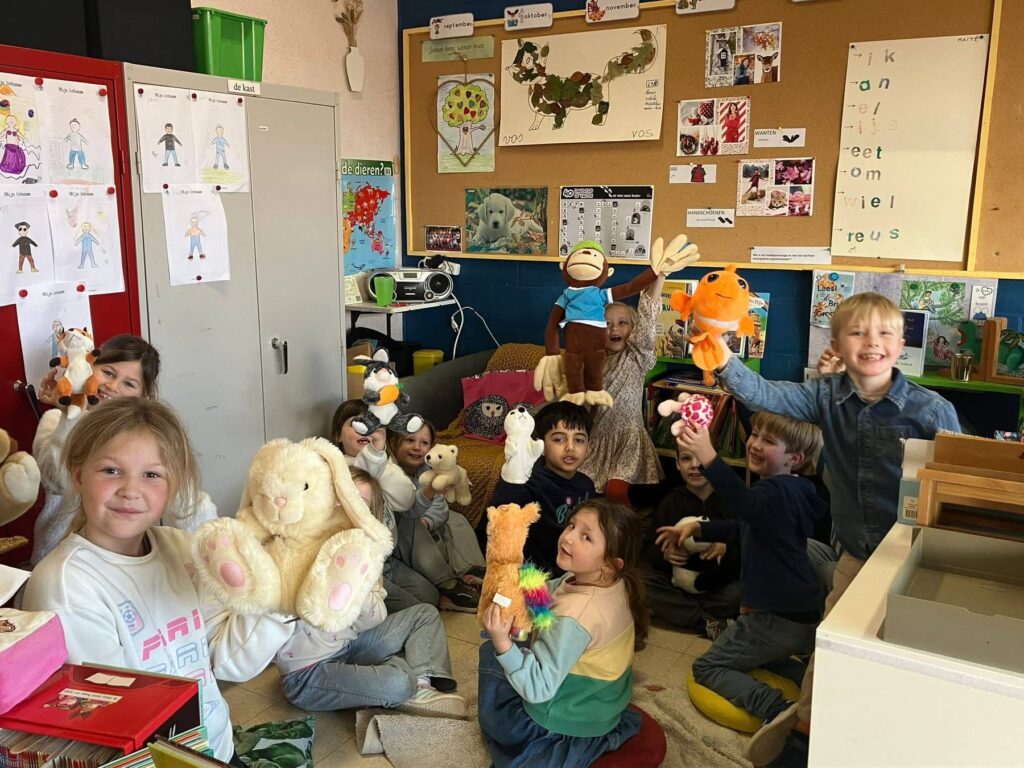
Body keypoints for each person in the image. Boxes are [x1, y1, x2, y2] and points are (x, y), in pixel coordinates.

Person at [710, 292, 960, 767]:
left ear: (900, 344)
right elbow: (765, 395)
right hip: (857, 554)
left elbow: (955, 480)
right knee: (832, 644)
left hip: (914, 553)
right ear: (839, 345)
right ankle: (805, 735)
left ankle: (891, 734)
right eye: (857, 333)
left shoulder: (931, 410)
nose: (872, 342)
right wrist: (720, 356)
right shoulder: (824, 396)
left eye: (884, 333)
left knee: (904, 650)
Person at [22, 398, 292, 764]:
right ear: (78, 474)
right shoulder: (66, 584)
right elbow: (110, 724)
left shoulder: (182, 548)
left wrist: (280, 593)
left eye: (151, 475)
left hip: (216, 745)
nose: (130, 490)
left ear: (173, 486)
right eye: (111, 470)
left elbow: (231, 661)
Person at [658, 413, 826, 734]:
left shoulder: (773, 493)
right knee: (763, 657)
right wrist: (701, 529)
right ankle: (809, 682)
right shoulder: (796, 489)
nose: (755, 444)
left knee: (707, 667)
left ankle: (777, 710)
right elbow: (747, 524)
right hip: (801, 615)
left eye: (769, 441)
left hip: (774, 618)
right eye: (755, 434)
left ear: (795, 458)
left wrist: (709, 457)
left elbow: (744, 504)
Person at [278, 468, 466, 718]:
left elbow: (374, 616)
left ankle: (422, 684)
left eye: (360, 502)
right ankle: (405, 678)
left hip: (349, 646)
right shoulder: (300, 546)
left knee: (425, 614)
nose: (347, 505)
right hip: (307, 673)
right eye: (342, 495)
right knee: (399, 681)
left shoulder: (367, 553)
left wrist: (359, 582)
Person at [478, 499, 646, 768]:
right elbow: (548, 596)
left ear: (610, 564)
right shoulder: (610, 582)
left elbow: (538, 689)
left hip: (556, 727)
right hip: (598, 709)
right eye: (571, 525)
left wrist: (502, 643)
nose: (568, 537)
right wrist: (520, 579)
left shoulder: (574, 617)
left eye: (586, 537)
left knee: (491, 649)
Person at [32, 334, 216, 565]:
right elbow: (56, 482)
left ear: (143, 396)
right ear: (89, 366)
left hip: (124, 558)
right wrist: (71, 415)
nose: (112, 386)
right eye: (108, 373)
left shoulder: (149, 439)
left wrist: (216, 551)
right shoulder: (54, 420)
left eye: (129, 384)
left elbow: (189, 501)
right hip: (58, 554)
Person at [331, 400, 478, 613]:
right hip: (365, 561)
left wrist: (380, 460)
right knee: (421, 606)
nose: (365, 430)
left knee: (429, 596)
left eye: (371, 424)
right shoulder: (337, 469)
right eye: (357, 424)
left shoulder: (391, 466)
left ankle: (459, 579)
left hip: (393, 554)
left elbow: (408, 502)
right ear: (338, 435)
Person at [579, 276, 665, 506]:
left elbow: (647, 320)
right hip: (596, 442)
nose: (614, 329)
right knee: (581, 488)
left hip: (628, 441)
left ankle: (627, 526)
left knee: (616, 490)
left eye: (622, 323)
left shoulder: (636, 357)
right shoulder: (591, 362)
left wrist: (660, 276)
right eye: (606, 324)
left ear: (633, 330)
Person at [642, 439, 741, 639]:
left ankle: (686, 613)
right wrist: (666, 554)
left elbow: (751, 549)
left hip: (718, 586)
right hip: (677, 584)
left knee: (741, 593)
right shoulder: (670, 501)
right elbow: (648, 549)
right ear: (678, 464)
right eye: (686, 459)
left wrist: (726, 550)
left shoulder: (731, 499)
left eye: (701, 457)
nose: (695, 465)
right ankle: (704, 622)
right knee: (642, 582)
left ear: (714, 460)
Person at [489, 401, 596, 575]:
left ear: (588, 448)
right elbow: (502, 512)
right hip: (533, 573)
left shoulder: (586, 485)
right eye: (559, 439)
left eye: (579, 440)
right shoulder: (531, 481)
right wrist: (512, 476)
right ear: (541, 446)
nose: (570, 447)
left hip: (572, 569)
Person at [389, 422, 487, 585]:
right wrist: (419, 525)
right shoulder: (389, 472)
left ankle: (474, 570)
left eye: (424, 443)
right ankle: (448, 582)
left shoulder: (430, 470)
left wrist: (427, 522)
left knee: (456, 519)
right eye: (410, 440)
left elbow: (439, 507)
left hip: (425, 522)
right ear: (394, 443)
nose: (417, 447)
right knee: (417, 528)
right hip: (402, 532)